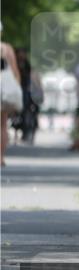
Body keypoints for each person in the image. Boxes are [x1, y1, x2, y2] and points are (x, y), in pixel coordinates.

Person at [1, 23, 22, 166]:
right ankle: (0, 157)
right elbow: (15, 72)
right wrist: (17, 90)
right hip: (4, 90)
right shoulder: (6, 49)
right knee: (2, 124)